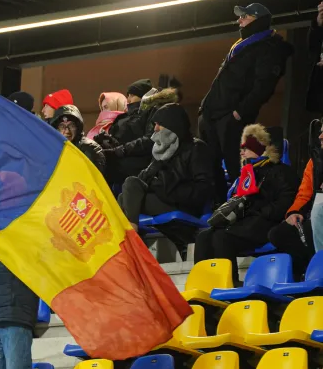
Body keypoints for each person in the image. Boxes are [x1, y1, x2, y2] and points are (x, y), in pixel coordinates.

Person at [199, 3, 294, 203]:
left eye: (245, 16)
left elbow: (264, 87)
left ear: (258, 20)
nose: (239, 20)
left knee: (236, 166)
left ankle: (242, 207)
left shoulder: (269, 48)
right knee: (210, 165)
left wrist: (239, 112)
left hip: (231, 117)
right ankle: (221, 207)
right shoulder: (242, 45)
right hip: (212, 113)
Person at [196, 124, 298, 285]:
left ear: (259, 149)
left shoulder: (281, 171)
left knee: (222, 237)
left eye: (246, 148)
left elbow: (287, 200)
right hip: (245, 222)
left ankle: (228, 283)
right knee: (204, 237)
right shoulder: (246, 174)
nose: (241, 152)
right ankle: (204, 283)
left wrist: (261, 211)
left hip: (265, 223)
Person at [117, 103, 214, 256]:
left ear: (172, 125)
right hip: (163, 198)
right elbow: (142, 180)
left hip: (182, 203)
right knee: (130, 185)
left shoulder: (196, 148)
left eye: (159, 124)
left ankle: (131, 243)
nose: (155, 129)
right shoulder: (161, 150)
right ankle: (133, 238)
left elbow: (203, 189)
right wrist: (154, 173)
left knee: (126, 199)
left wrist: (168, 188)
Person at [99, 84, 180, 188]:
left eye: (132, 95)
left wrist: (120, 150)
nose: (128, 100)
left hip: (138, 164)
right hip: (132, 162)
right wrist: (109, 142)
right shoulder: (127, 116)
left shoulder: (152, 112)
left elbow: (149, 140)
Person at [270, 122, 323, 274]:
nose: (320, 136)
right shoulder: (315, 161)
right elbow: (304, 193)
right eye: (320, 132)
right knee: (280, 233)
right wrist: (295, 212)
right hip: (315, 216)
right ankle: (306, 275)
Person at [50, 105, 106, 173]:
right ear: (57, 129)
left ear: (78, 128)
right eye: (62, 126)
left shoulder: (90, 148)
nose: (67, 131)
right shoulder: (54, 148)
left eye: (71, 126)